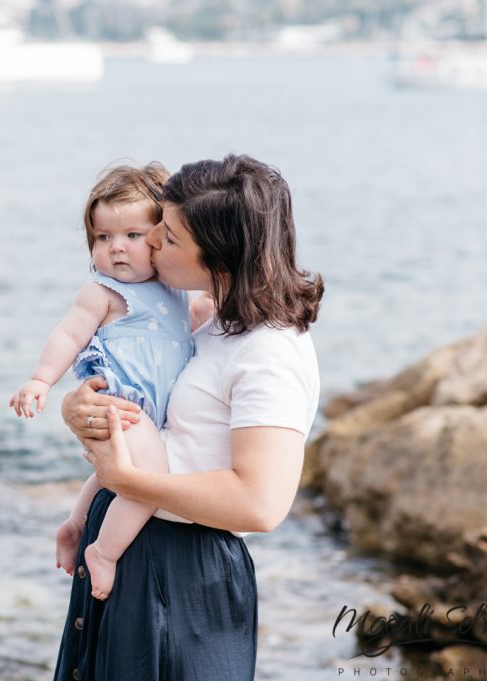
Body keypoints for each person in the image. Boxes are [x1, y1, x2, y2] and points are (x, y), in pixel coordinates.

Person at [53, 154, 324, 681]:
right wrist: (77, 407)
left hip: (184, 575)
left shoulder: (270, 353)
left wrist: (129, 479)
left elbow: (260, 504)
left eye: (169, 238)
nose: (150, 243)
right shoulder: (207, 322)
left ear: (220, 259)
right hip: (130, 548)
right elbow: (155, 411)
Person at [8, 163, 198, 600]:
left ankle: (75, 525)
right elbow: (69, 335)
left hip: (152, 414)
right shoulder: (104, 292)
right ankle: (104, 554)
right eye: (102, 237)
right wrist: (41, 381)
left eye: (133, 236)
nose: (116, 249)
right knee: (151, 480)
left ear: (161, 237)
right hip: (123, 404)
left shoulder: (177, 288)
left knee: (114, 476)